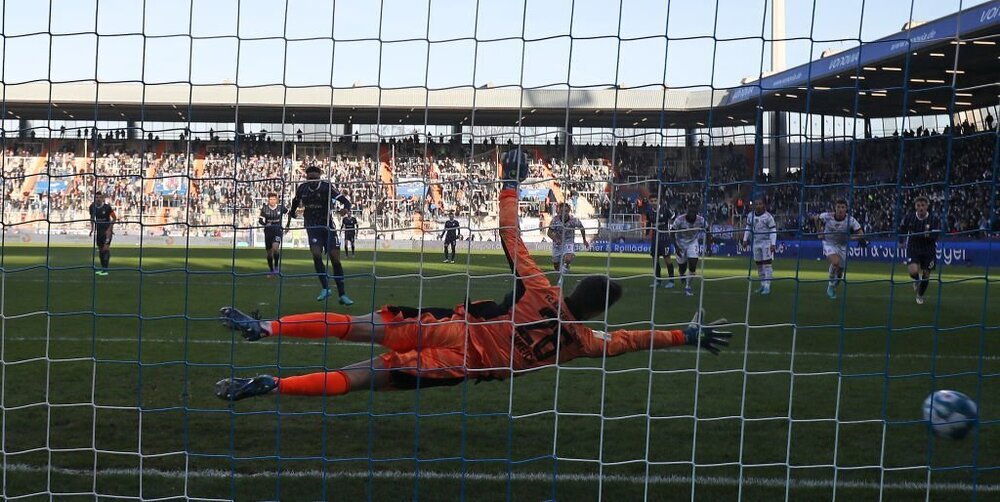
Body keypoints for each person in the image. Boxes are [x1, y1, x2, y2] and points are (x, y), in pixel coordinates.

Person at [214, 148, 731, 401]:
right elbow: (632, 340)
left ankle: (268, 328)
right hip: (457, 365)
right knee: (361, 376)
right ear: (596, 313)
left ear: (575, 287)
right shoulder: (584, 342)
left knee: (360, 324)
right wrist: (685, 334)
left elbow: (511, 238)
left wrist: (509, 184)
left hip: (452, 326)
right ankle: (275, 385)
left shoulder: (541, 288)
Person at [287, 165, 354, 304]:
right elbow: (295, 201)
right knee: (316, 254)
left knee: (335, 258)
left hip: (327, 227)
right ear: (306, 178)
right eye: (310, 178)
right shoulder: (302, 189)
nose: (312, 180)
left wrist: (345, 209)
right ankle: (325, 288)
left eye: (315, 178)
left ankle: (342, 294)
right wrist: (292, 213)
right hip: (312, 227)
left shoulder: (326, 187)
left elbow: (346, 201)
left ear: (319, 177)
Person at [815, 199, 867, 300]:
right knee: (835, 262)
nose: (840, 210)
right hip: (828, 243)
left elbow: (861, 234)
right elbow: (816, 218)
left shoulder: (850, 220)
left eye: (842, 207)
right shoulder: (828, 216)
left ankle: (833, 286)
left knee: (839, 274)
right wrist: (819, 232)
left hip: (842, 246)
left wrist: (852, 238)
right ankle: (830, 285)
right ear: (835, 208)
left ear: (846, 209)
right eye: (838, 207)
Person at [898, 196, 941, 305]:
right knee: (913, 271)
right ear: (915, 207)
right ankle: (916, 280)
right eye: (918, 205)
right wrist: (901, 241)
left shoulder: (934, 219)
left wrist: (926, 236)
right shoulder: (909, 217)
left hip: (929, 250)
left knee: (926, 275)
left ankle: (920, 295)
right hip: (913, 247)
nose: (921, 208)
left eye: (923, 205)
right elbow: (902, 228)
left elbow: (935, 236)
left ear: (927, 206)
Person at [670, 203, 707, 297]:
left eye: (693, 211)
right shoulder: (679, 219)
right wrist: (676, 247)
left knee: (693, 264)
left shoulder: (701, 220)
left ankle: (688, 286)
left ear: (696, 212)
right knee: (682, 267)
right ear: (686, 211)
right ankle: (682, 273)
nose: (691, 213)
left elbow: (708, 230)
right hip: (680, 243)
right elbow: (672, 233)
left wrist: (709, 246)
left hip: (692, 242)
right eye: (689, 211)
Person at [742, 198, 777, 295]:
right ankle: (762, 284)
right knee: (759, 265)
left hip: (766, 242)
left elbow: (773, 230)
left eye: (759, 204)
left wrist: (773, 243)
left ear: (763, 205)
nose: (757, 206)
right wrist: (745, 239)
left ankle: (767, 286)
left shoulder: (768, 217)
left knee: (767, 264)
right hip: (756, 242)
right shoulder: (750, 216)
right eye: (756, 204)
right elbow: (748, 228)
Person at [547, 202, 588, 283]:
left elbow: (582, 228)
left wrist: (584, 240)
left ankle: (561, 278)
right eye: (562, 211)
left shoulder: (574, 220)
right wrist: (555, 239)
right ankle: (564, 269)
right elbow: (549, 233)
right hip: (557, 244)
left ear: (569, 211)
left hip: (568, 242)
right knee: (556, 266)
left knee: (568, 258)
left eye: (566, 211)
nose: (564, 213)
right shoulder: (555, 220)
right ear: (559, 211)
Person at [645, 195, 675, 289]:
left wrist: (673, 229)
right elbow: (649, 222)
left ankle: (671, 281)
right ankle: (658, 281)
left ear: (658, 201)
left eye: (655, 200)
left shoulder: (664, 209)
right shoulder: (649, 211)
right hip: (655, 238)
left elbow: (673, 217)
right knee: (654, 259)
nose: (654, 202)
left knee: (667, 260)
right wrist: (647, 232)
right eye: (652, 201)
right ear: (649, 202)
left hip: (665, 238)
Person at [258, 192, 287, 276]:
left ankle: (276, 267)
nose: (272, 201)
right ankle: (271, 270)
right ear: (268, 200)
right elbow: (260, 220)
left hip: (278, 230)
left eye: (274, 199)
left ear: (277, 200)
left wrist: (287, 225)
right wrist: (265, 224)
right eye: (270, 199)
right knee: (269, 252)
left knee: (275, 247)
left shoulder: (281, 208)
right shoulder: (264, 209)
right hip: (268, 231)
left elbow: (289, 213)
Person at [88, 192, 117, 276]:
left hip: (107, 232)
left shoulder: (107, 207)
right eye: (96, 197)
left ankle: (105, 270)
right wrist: (92, 229)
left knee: (105, 248)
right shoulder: (92, 207)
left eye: (100, 197)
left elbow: (114, 218)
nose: (98, 199)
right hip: (99, 231)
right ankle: (103, 269)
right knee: (101, 250)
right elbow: (92, 218)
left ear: (102, 198)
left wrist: (110, 228)